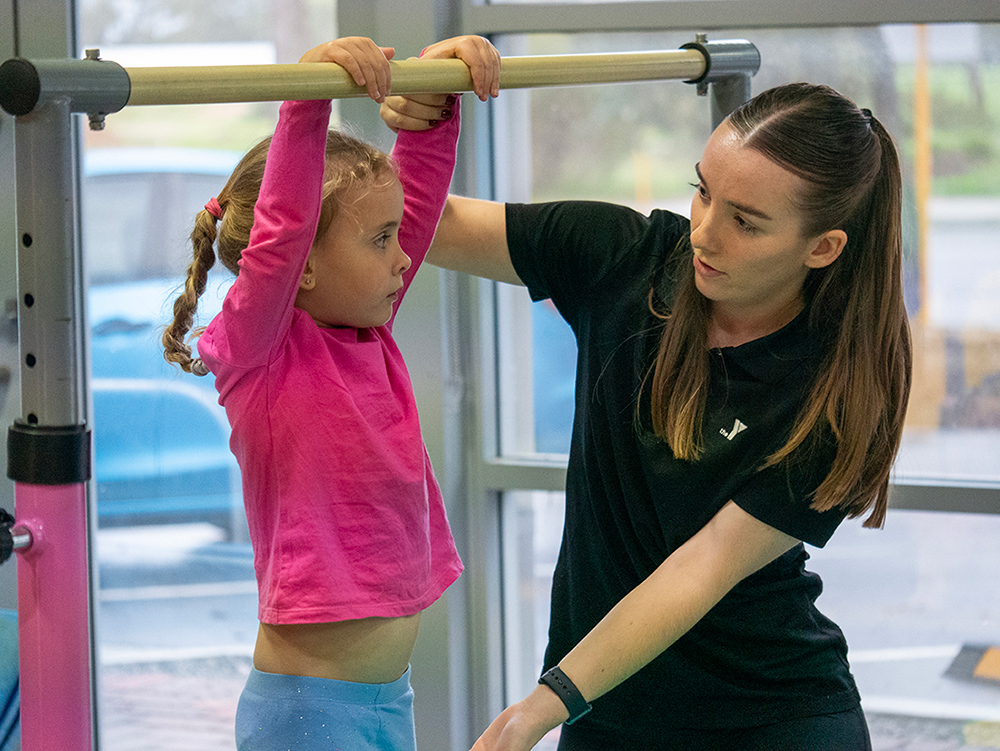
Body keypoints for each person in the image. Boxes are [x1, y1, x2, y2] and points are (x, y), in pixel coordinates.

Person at [381, 82, 910, 750]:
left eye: (746, 221)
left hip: (770, 717)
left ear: (823, 247)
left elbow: (701, 568)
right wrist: (420, 122)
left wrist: (541, 706)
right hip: (605, 710)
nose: (705, 232)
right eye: (703, 191)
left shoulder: (836, 391)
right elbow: (416, 226)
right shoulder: (626, 259)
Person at [161, 35, 501, 751]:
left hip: (384, 703)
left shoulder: (363, 331)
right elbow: (284, 230)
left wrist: (436, 104)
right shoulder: (260, 352)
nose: (404, 254)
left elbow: (419, 208)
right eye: (378, 239)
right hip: (308, 715)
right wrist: (309, 97)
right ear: (302, 267)